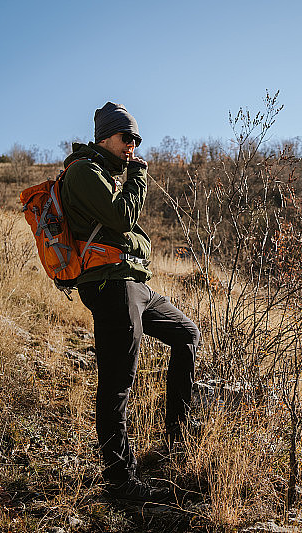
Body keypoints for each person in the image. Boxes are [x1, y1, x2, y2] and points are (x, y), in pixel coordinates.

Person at [60, 102, 200, 504]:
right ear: (105, 137)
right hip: (111, 286)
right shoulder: (84, 172)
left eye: (136, 139)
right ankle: (120, 480)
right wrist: (138, 175)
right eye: (127, 138)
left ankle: (176, 438)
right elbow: (123, 219)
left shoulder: (104, 173)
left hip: (133, 284)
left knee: (187, 333)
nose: (133, 146)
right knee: (118, 384)